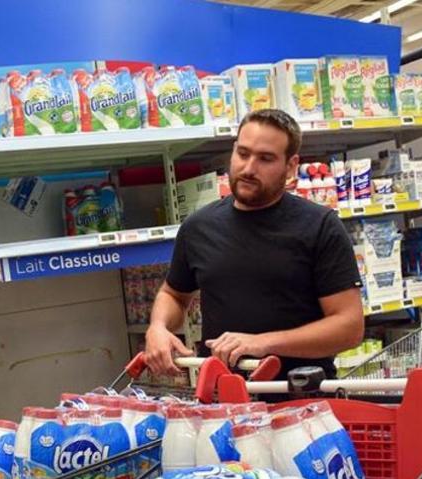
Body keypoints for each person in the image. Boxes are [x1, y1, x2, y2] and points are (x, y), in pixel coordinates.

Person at [144, 108, 364, 379]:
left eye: (265, 159)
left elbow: (349, 327)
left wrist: (261, 343)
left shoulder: (320, 226)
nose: (248, 168)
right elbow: (174, 294)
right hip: (222, 398)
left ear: (291, 166)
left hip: (300, 400)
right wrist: (158, 328)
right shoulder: (198, 227)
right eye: (243, 154)